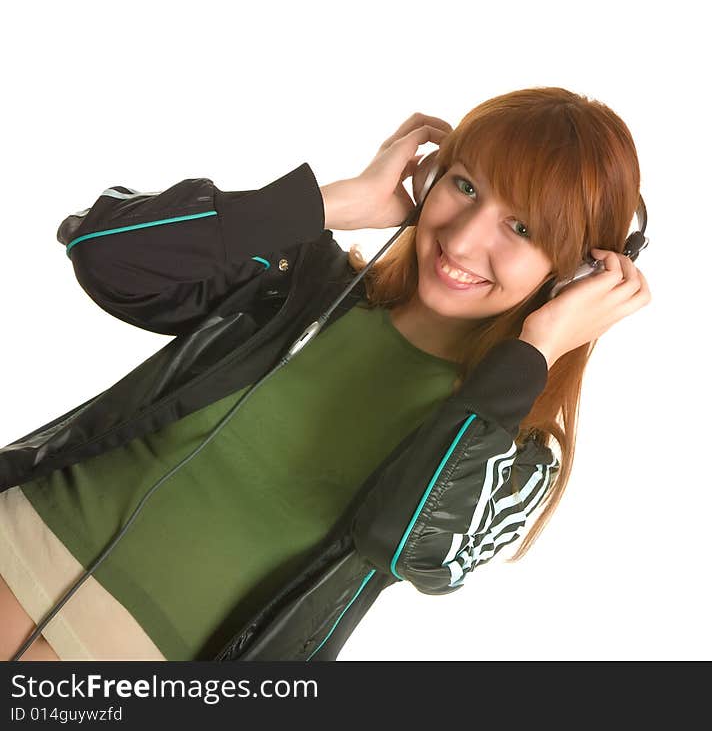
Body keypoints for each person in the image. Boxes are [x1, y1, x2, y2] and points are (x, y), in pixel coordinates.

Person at [0, 86, 651, 661]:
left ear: (574, 273)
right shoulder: (300, 285)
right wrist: (319, 205)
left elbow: (408, 542)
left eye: (521, 226)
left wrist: (535, 349)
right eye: (465, 186)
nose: (461, 238)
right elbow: (103, 249)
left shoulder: (517, 457)